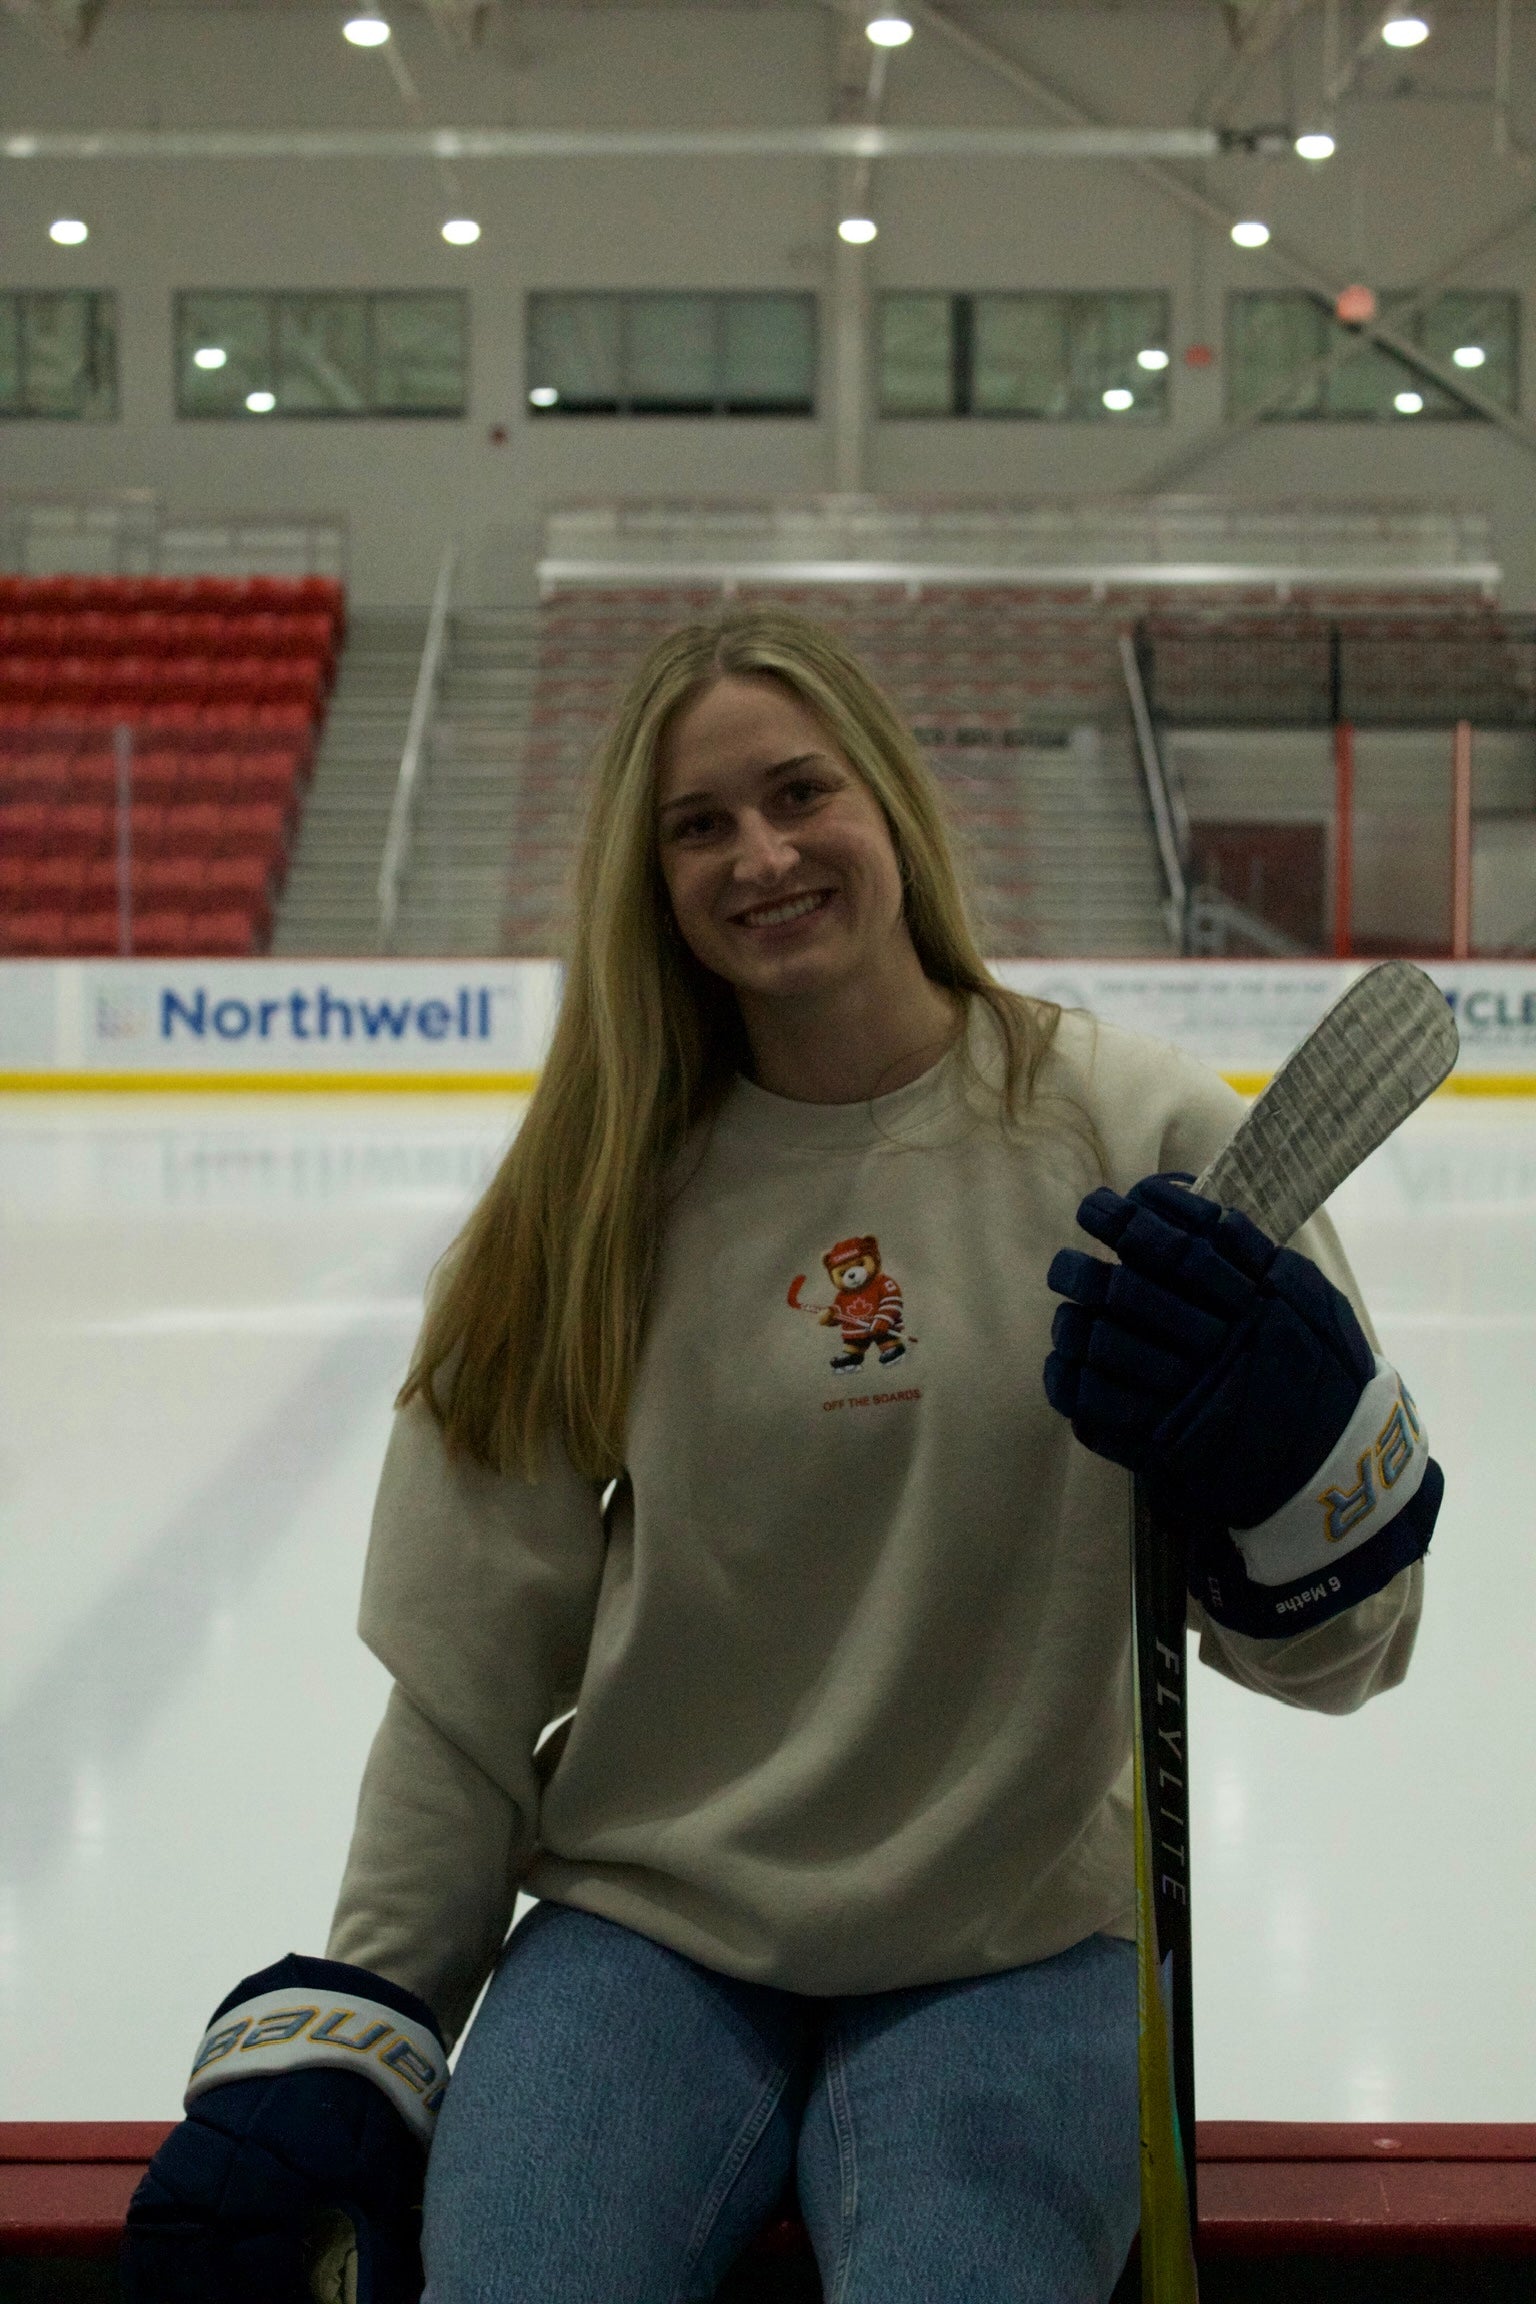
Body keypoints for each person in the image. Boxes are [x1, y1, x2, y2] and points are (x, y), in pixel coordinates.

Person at [124, 609, 1442, 2304]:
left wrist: (1290, 1475)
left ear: (887, 803)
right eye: (698, 825)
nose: (762, 855)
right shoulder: (590, 1204)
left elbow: (1351, 1656)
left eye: (799, 792)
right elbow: (468, 1678)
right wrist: (358, 2019)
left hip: (1019, 1935)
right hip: (651, 1928)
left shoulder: (1147, 1141)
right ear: (651, 877)